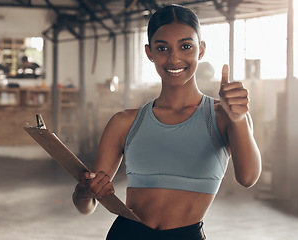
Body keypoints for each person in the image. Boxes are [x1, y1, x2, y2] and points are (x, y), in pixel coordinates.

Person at [72, 4, 261, 240]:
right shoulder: (125, 122)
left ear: (200, 50)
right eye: (162, 48)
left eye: (186, 46)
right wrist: (83, 191)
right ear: (149, 52)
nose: (174, 58)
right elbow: (87, 205)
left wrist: (238, 119)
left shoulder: (225, 116)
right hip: (127, 234)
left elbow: (248, 178)